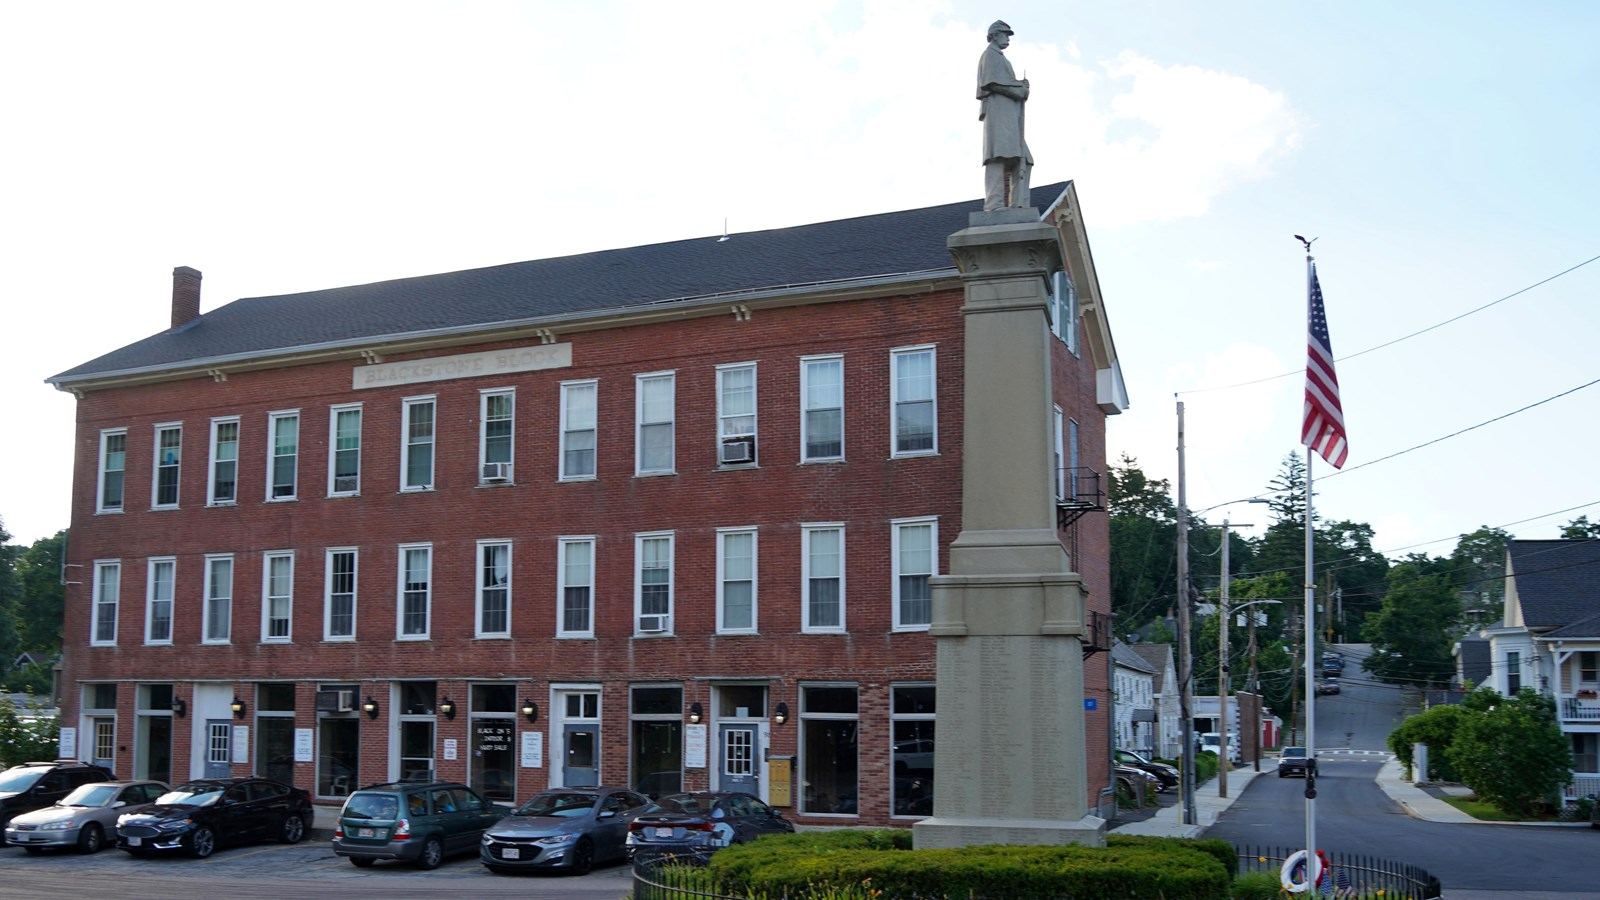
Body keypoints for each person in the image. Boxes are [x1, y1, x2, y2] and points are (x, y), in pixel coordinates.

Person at [977, 20, 1032, 211]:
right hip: (998, 115)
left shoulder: (999, 57)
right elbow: (993, 83)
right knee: (997, 157)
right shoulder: (990, 56)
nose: (1007, 39)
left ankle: (1019, 204)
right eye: (1005, 34)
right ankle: (994, 205)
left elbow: (1003, 81)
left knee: (1025, 159)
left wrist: (1019, 86)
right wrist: (1019, 89)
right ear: (995, 34)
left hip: (1009, 116)